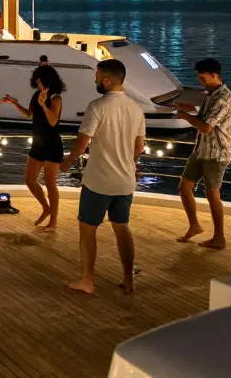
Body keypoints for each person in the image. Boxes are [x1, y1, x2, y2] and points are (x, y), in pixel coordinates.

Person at [61, 59, 145, 296]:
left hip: (98, 180)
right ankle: (129, 279)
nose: (95, 80)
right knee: (122, 228)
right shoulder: (136, 109)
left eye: (97, 76)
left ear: (107, 80)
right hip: (125, 181)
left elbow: (82, 142)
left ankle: (87, 280)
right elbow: (139, 147)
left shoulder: (97, 107)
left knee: (87, 231)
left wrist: (68, 162)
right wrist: (128, 163)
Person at [174, 58, 231, 250]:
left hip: (216, 153)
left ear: (214, 75)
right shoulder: (211, 95)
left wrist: (186, 117)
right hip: (201, 150)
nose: (199, 80)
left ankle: (219, 238)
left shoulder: (223, 98)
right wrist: (191, 109)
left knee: (212, 196)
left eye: (202, 77)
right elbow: (226, 119)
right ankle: (194, 225)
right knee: (184, 188)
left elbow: (206, 127)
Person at [0, 64, 66, 229]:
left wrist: (44, 105)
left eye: (39, 80)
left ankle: (53, 221)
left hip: (52, 144)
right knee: (29, 180)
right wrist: (15, 103)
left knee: (50, 184)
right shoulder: (37, 95)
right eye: (36, 81)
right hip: (38, 142)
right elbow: (30, 114)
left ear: (47, 80)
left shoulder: (56, 98)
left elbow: (53, 121)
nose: (37, 84)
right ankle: (46, 208)